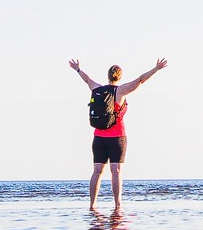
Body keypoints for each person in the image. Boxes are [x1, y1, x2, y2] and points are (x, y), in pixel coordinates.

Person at [68, 56, 168, 213]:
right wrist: (156, 69)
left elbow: (87, 79)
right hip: (117, 137)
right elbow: (141, 79)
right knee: (116, 171)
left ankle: (92, 205)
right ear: (119, 77)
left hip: (99, 137)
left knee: (96, 171)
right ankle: (117, 205)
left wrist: (78, 69)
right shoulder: (121, 91)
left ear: (108, 76)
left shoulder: (98, 89)